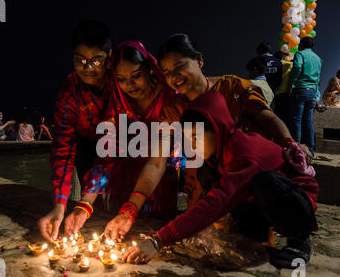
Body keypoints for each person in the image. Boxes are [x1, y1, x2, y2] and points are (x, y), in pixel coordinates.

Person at [102, 33, 312, 243]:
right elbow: (157, 162)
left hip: (248, 185)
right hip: (205, 193)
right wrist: (129, 210)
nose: (174, 77)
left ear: (199, 60)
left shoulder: (232, 88)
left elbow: (267, 118)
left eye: (180, 66)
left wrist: (290, 145)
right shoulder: (173, 110)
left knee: (250, 238)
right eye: (167, 72)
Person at [122, 91, 319, 269]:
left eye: (195, 137)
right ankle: (252, 233)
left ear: (217, 129)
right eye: (187, 138)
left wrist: (158, 240)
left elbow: (215, 203)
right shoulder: (219, 153)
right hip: (260, 200)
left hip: (298, 203)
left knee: (265, 181)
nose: (191, 145)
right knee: (207, 174)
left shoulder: (243, 153)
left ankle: (299, 240)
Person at [63, 41, 187, 239]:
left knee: (154, 233)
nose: (129, 85)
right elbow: (106, 156)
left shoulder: (169, 99)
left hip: (160, 175)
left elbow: (158, 162)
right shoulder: (117, 103)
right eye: (121, 79)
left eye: (136, 76)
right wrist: (85, 204)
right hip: (124, 179)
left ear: (149, 69)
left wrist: (130, 209)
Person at [38, 20, 113, 243]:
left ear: (109, 56)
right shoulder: (69, 92)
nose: (88, 68)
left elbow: (111, 150)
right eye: (80, 60)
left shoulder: (120, 84)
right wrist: (59, 205)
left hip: (123, 146)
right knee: (91, 206)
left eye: (96, 60)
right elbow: (64, 150)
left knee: (117, 200)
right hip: (86, 145)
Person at [288, 37, 322, 156]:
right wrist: (317, 94)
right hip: (313, 92)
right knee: (308, 122)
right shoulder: (318, 58)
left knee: (296, 120)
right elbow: (318, 78)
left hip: (300, 90)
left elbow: (297, 67)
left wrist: (291, 83)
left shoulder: (299, 54)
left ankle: (297, 150)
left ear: (301, 44)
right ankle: (311, 150)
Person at [272, 51, 294, 125]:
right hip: (288, 93)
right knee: (287, 117)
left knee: (278, 116)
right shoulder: (289, 64)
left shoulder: (275, 65)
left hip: (277, 93)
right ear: (283, 58)